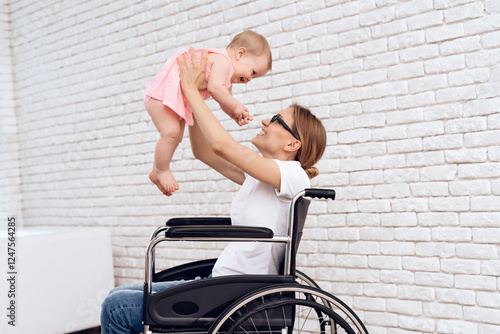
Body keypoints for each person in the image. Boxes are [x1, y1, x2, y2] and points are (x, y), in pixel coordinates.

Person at [100, 48, 326, 334]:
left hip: (237, 297)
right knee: (116, 297)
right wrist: (196, 100)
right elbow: (204, 151)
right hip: (224, 285)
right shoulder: (261, 177)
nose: (265, 121)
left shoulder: (293, 176)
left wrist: (191, 88)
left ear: (294, 145)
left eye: (277, 120)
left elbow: (223, 145)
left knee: (118, 308)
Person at [146, 30, 272, 196]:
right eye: (253, 72)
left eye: (254, 78)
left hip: (179, 96)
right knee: (170, 132)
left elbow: (223, 98)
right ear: (240, 54)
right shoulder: (223, 61)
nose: (249, 79)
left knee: (175, 137)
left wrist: (234, 113)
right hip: (162, 94)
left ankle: (157, 170)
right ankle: (161, 171)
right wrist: (236, 106)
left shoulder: (227, 74)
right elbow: (214, 89)